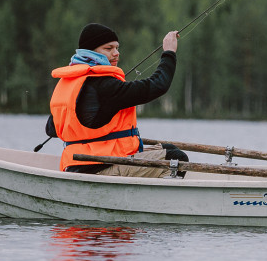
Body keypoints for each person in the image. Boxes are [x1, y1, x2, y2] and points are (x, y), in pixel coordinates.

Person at [45, 22, 188, 178]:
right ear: (90, 51)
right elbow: (158, 85)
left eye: (117, 48)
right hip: (101, 169)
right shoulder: (104, 85)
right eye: (108, 48)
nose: (116, 53)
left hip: (74, 166)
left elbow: (51, 129)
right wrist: (169, 52)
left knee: (167, 148)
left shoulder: (68, 83)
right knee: (176, 158)